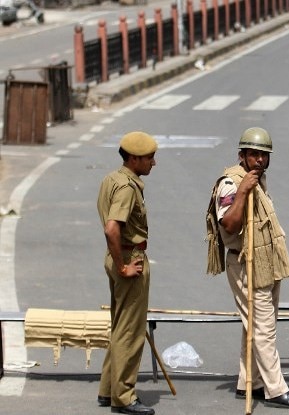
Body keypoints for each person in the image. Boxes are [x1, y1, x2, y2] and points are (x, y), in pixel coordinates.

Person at [207, 127, 289, 410]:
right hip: (244, 263)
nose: (260, 161)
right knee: (263, 328)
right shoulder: (231, 183)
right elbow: (229, 223)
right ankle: (276, 389)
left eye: (264, 155)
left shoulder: (259, 180)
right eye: (254, 155)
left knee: (254, 325)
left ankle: (248, 382)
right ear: (242, 156)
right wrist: (243, 191)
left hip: (265, 262)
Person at [96, 131, 158, 415]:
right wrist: (123, 266)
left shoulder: (113, 178)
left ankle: (108, 390)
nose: (153, 163)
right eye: (148, 158)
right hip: (129, 257)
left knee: (119, 326)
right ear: (134, 159)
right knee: (130, 332)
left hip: (117, 255)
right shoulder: (127, 187)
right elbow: (112, 227)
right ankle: (123, 397)